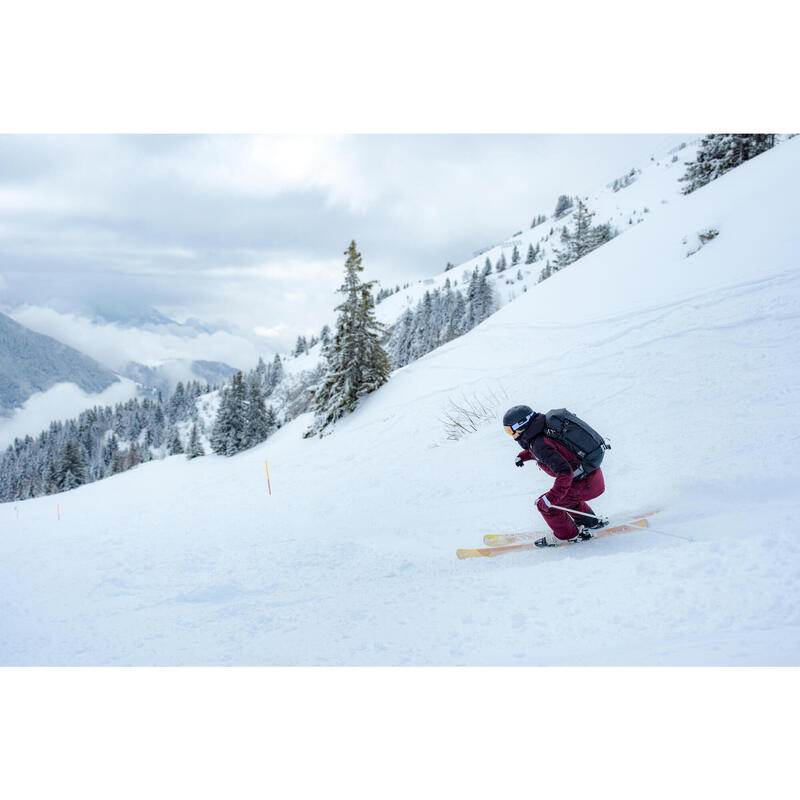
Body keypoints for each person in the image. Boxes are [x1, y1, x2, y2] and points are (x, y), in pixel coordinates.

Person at [503, 404, 606, 547]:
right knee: (566, 499)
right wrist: (523, 456)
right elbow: (553, 450)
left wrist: (549, 499)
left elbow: (565, 472)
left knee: (548, 506)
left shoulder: (539, 443)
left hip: (584, 484)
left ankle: (568, 535)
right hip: (591, 477)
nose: (511, 434)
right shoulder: (542, 428)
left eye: (509, 430)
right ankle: (591, 522)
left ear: (521, 424)